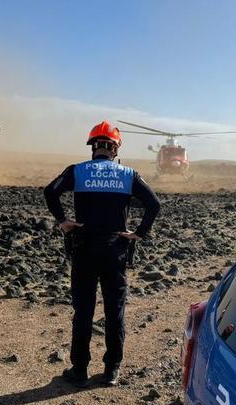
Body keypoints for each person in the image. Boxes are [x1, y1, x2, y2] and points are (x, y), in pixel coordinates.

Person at [44, 121, 161, 387]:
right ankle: (111, 370)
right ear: (115, 149)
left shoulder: (77, 171)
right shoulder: (128, 174)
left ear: (93, 147)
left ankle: (79, 370)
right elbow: (154, 204)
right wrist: (139, 233)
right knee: (115, 311)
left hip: (84, 249)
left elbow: (50, 192)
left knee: (83, 311)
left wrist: (63, 220)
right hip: (115, 251)